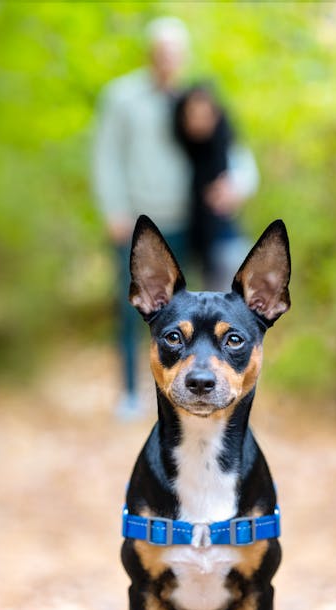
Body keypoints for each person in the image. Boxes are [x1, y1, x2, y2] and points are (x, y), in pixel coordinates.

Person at [92, 18, 258, 419]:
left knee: (201, 313)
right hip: (139, 223)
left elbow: (234, 148)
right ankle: (131, 394)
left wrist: (237, 185)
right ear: (150, 53)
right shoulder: (123, 97)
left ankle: (194, 389)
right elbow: (107, 155)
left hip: (192, 222)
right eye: (161, 51)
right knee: (135, 310)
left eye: (174, 52)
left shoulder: (196, 98)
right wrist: (113, 208)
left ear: (182, 56)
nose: (168, 59)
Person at [174, 84, 256, 291]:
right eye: (192, 114)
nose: (199, 121)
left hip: (223, 239)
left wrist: (233, 190)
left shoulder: (226, 145)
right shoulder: (179, 148)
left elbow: (248, 177)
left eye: (205, 114)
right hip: (186, 238)